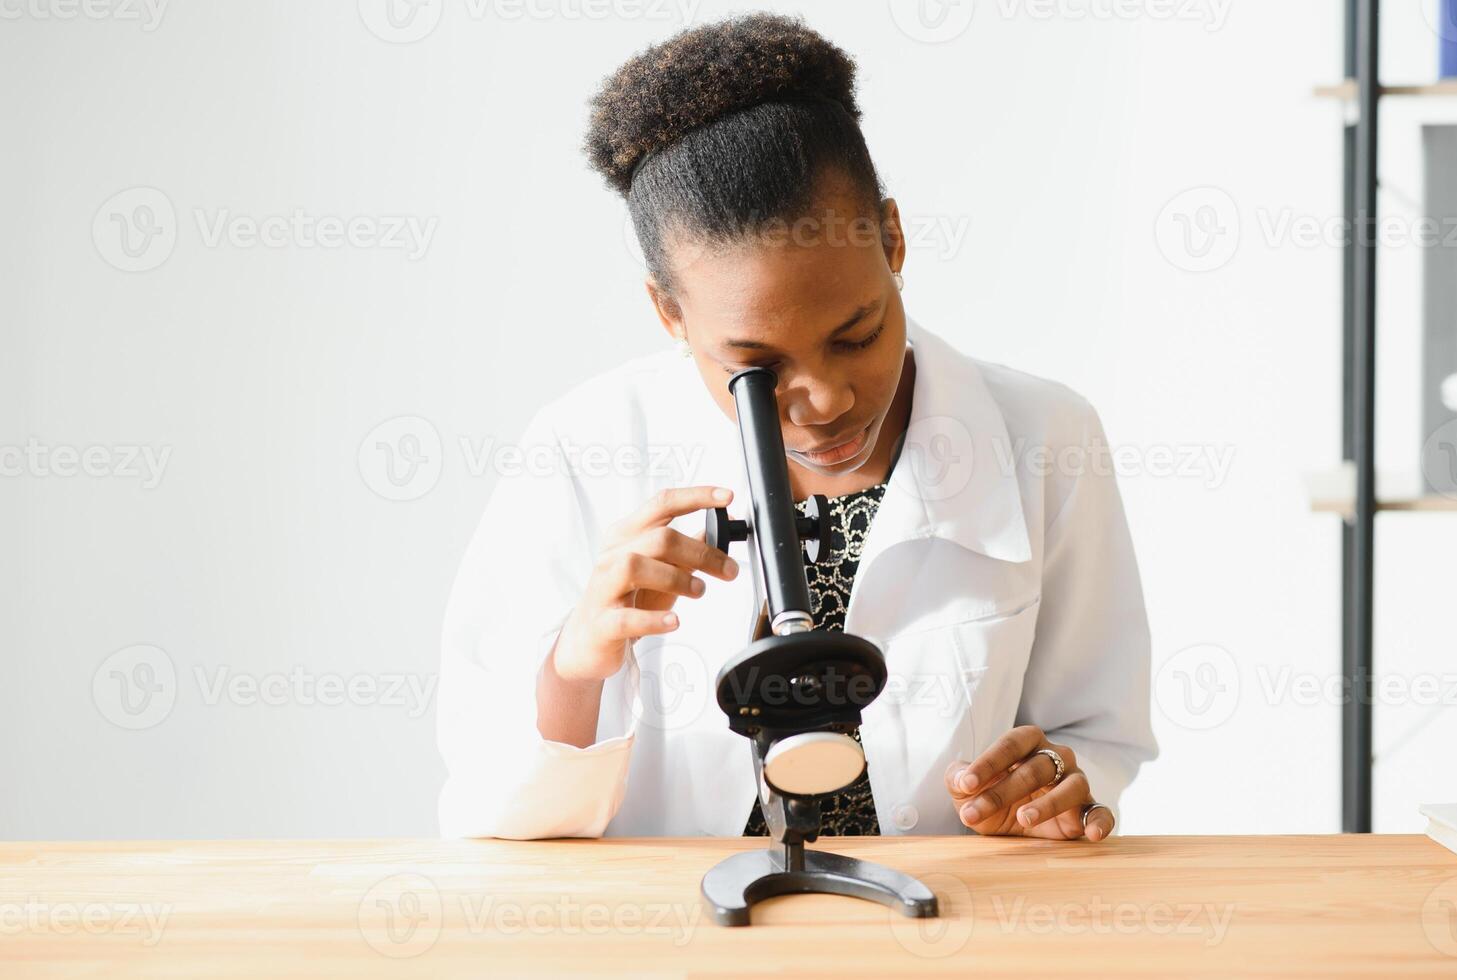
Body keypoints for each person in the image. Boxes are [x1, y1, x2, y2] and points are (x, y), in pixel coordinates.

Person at [437, 12, 1156, 842]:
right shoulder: (584, 446)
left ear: (892, 238)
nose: (823, 401)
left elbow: (1096, 736)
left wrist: (1052, 784)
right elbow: (493, 808)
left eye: (857, 335)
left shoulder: (1046, 437)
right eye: (758, 368)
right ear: (669, 313)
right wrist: (578, 662)